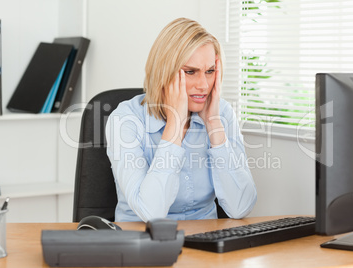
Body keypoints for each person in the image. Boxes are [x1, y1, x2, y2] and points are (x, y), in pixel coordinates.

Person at [105, 18, 257, 222]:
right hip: (141, 242)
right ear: (163, 73)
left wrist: (213, 125)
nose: (203, 85)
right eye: (190, 72)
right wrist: (174, 125)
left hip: (205, 243)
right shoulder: (125, 120)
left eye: (210, 71)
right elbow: (152, 213)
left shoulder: (221, 114)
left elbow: (241, 207)